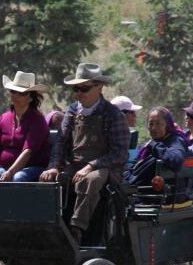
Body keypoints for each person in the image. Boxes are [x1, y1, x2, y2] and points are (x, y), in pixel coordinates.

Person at [40, 63, 130, 244]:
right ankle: (49, 229)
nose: (79, 93)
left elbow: (120, 154)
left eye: (85, 88)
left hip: (106, 168)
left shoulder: (113, 114)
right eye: (76, 88)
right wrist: (53, 167)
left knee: (90, 180)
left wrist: (91, 166)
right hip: (75, 166)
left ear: (99, 87)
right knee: (49, 180)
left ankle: (77, 229)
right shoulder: (72, 111)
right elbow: (61, 144)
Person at [0, 71, 50, 182]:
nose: (16, 96)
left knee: (18, 177)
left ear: (31, 98)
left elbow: (27, 152)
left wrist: (11, 172)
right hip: (5, 168)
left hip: (33, 168)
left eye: (21, 93)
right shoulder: (4, 118)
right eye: (13, 91)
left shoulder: (37, 120)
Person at [124, 106, 188, 205]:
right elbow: (136, 167)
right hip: (139, 191)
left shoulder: (174, 141)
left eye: (158, 123)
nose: (154, 128)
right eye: (151, 124)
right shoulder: (153, 144)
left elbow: (176, 160)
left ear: (167, 125)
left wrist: (154, 146)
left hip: (152, 197)